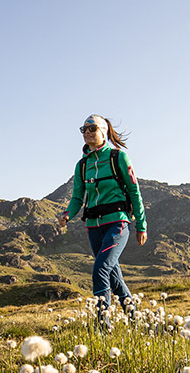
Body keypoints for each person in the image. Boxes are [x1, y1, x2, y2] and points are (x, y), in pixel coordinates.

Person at [60, 114, 147, 325]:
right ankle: (136, 321)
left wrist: (141, 225)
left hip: (118, 222)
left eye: (92, 128)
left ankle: (103, 325)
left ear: (103, 132)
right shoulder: (81, 165)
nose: (87, 132)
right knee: (114, 276)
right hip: (93, 226)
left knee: (101, 268)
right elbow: (77, 197)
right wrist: (67, 214)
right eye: (84, 129)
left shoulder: (119, 158)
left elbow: (134, 192)